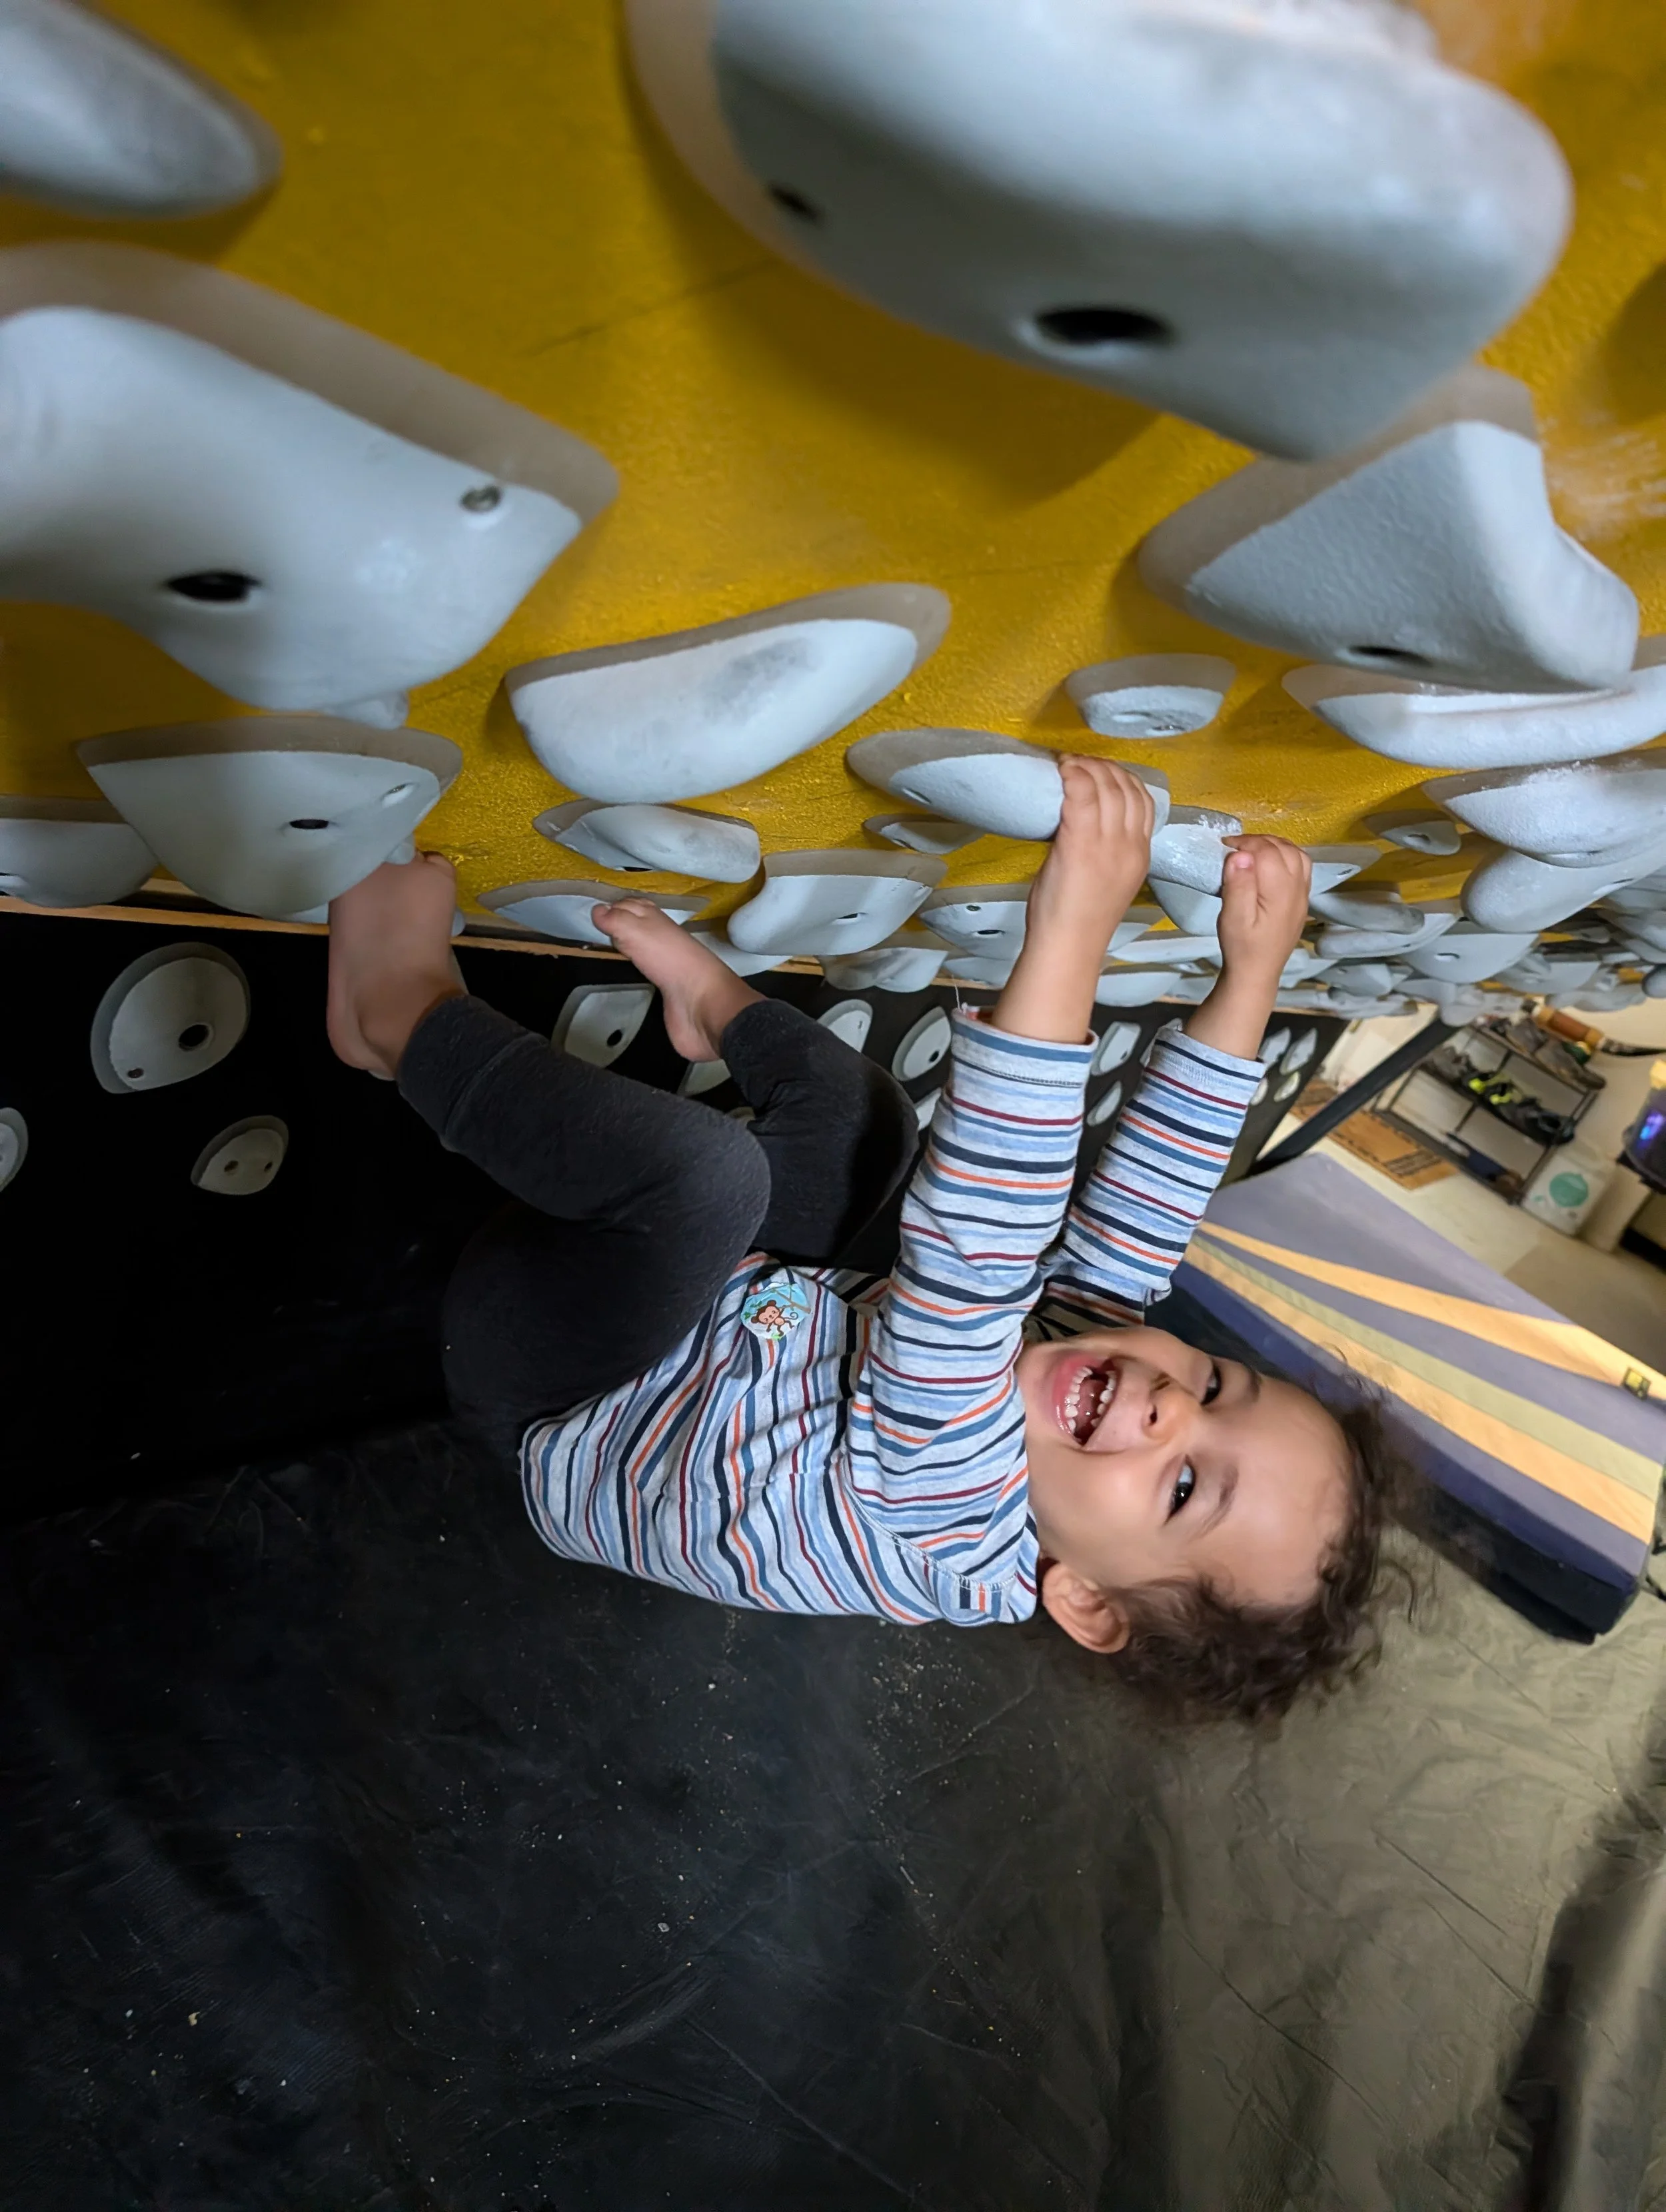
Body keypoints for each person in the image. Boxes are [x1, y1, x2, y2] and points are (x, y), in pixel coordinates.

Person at [327, 760, 1401, 1723]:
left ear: (1084, 1599)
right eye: (1216, 1383)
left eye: (1184, 1489)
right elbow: (1141, 1218)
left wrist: (1074, 926)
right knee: (871, 1121)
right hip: (747, 1326)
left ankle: (392, 1010)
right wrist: (1250, 980)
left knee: (704, 1181)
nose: (1170, 1407)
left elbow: (976, 1257)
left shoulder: (952, 1522)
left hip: (566, 1397)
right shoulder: (1100, 1387)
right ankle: (710, 1006)